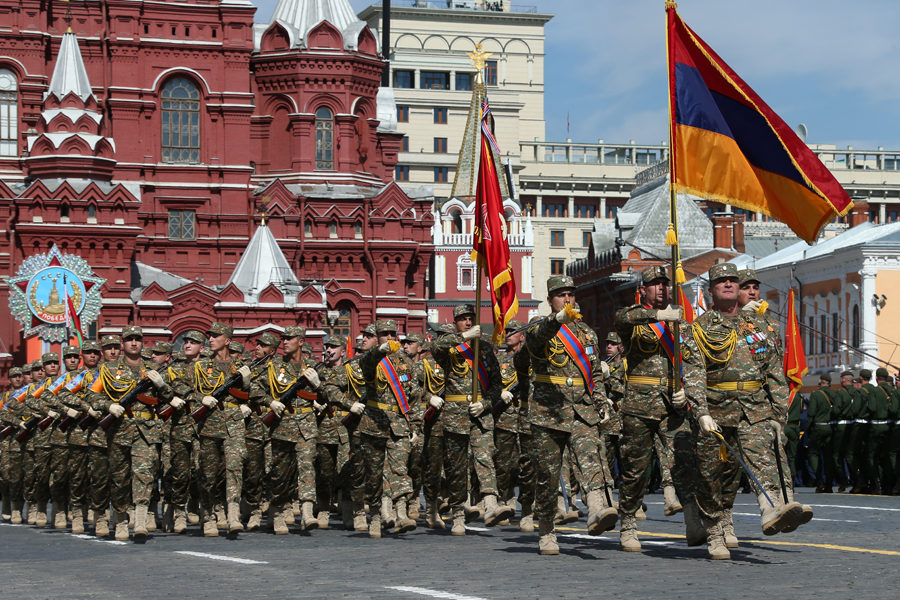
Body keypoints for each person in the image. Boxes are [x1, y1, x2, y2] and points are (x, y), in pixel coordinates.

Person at [692, 263, 811, 560]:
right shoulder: (697, 328)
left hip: (754, 407)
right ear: (712, 291)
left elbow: (774, 374)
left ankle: (772, 509)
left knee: (764, 460)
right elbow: (694, 374)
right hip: (717, 409)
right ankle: (716, 532)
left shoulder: (760, 327)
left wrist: (778, 415)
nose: (729, 285)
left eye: (733, 281)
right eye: (721, 282)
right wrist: (701, 411)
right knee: (712, 476)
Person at [524, 276, 617, 555]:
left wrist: (601, 402)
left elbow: (594, 373)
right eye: (561, 295)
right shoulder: (539, 327)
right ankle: (547, 530)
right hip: (548, 411)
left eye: (571, 294)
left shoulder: (587, 332)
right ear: (550, 299)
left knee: (590, 457)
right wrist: (557, 321)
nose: (568, 299)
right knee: (548, 475)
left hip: (581, 408)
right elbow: (538, 339)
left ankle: (597, 508)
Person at [615, 266, 704, 554]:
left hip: (673, 405)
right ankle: (628, 524)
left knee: (684, 462)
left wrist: (687, 395)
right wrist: (658, 316)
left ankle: (693, 521)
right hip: (639, 405)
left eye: (665, 284)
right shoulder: (636, 321)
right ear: (643, 290)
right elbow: (622, 318)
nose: (662, 289)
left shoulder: (683, 326)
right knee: (635, 468)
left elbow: (692, 365)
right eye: (655, 284)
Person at [85, 327, 174, 540]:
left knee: (145, 475)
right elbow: (91, 395)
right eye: (129, 340)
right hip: (119, 430)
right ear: (122, 344)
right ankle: (121, 520)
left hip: (147, 431)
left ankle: (141, 522)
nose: (133, 343)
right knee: (119, 479)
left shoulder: (154, 369)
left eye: (137, 339)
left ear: (143, 343)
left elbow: (170, 396)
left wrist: (161, 385)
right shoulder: (107, 369)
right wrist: (108, 406)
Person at [431, 305, 512, 535]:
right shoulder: (449, 349)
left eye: (470, 319)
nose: (467, 322)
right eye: (462, 320)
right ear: (456, 323)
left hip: (481, 415)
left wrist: (486, 404)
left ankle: (491, 505)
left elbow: (497, 385)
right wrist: (464, 338)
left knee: (485, 459)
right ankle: (458, 513)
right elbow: (434, 347)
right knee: (457, 468)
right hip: (456, 416)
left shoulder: (485, 349)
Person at [249, 325, 319, 534]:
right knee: (280, 474)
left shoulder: (313, 366)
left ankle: (307, 512)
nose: (285, 342)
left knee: (307, 469)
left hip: (306, 425)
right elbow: (254, 388)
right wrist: (270, 402)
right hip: (282, 427)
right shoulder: (273, 366)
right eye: (284, 338)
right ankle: (277, 512)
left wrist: (318, 385)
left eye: (290, 338)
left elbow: (328, 393)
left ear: (301, 341)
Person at [354, 319, 419, 538]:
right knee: (373, 475)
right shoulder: (370, 359)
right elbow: (366, 367)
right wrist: (378, 352)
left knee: (400, 470)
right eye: (384, 334)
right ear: (377, 337)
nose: (390, 338)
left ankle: (401, 514)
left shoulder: (406, 362)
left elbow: (414, 396)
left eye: (393, 334)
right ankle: (374, 516)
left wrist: (416, 427)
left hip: (399, 424)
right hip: (374, 422)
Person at [190, 322, 253, 536]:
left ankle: (233, 514)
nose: (211, 339)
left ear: (227, 340)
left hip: (234, 421)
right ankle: (208, 514)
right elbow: (184, 390)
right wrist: (201, 398)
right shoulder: (199, 366)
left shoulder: (241, 366)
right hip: (209, 423)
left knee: (235, 467)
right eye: (210, 336)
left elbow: (256, 394)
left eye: (216, 336)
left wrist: (247, 384)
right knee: (208, 473)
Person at [164, 330, 205, 533]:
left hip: (204, 427)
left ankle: (204, 511)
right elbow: (161, 387)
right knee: (180, 473)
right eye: (186, 341)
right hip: (181, 427)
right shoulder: (174, 369)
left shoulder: (211, 368)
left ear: (202, 348)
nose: (187, 344)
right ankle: (178, 512)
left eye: (193, 342)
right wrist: (170, 397)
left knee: (203, 471)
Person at [243, 331, 280, 529]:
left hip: (275, 425)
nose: (257, 347)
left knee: (275, 470)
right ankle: (254, 511)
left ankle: (274, 510)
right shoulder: (246, 368)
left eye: (262, 345)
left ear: (272, 351)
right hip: (255, 424)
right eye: (257, 344)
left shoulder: (281, 368)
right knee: (253, 471)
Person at [860, 368, 890, 494]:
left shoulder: (875, 390)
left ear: (877, 377)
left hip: (876, 425)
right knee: (886, 455)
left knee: (872, 456)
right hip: (889, 425)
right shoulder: (892, 390)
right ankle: (888, 483)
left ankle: (877, 484)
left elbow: (871, 407)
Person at [806, 374, 835, 492]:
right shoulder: (834, 394)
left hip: (818, 427)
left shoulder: (816, 394)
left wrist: (808, 429)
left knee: (812, 453)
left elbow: (811, 412)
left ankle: (819, 481)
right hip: (831, 427)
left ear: (820, 381)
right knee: (828, 456)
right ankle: (829, 484)